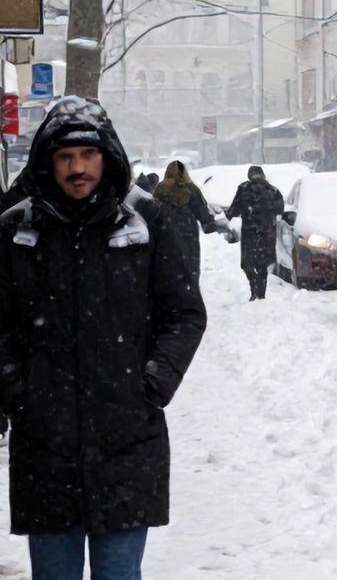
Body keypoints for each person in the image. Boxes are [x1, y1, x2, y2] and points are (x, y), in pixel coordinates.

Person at [0, 96, 206, 580]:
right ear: (48, 162)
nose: (76, 168)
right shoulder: (17, 228)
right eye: (65, 157)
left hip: (127, 441)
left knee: (119, 574)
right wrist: (15, 390)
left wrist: (153, 382)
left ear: (107, 156)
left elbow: (184, 313)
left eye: (86, 156)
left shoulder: (145, 222)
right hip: (44, 446)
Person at [153, 160, 219, 281]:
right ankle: (190, 290)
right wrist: (210, 224)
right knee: (190, 266)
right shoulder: (192, 189)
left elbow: (152, 211)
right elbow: (202, 211)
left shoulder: (160, 189)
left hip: (165, 233)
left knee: (166, 267)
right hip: (188, 233)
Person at [225, 165, 283, 301]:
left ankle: (253, 287)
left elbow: (234, 209)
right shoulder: (273, 191)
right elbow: (279, 210)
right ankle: (261, 293)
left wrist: (230, 215)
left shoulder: (244, 189)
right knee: (262, 264)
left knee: (246, 263)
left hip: (249, 231)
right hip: (267, 232)